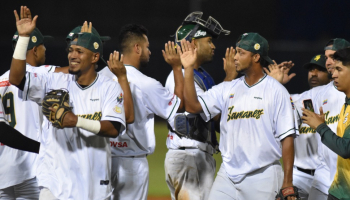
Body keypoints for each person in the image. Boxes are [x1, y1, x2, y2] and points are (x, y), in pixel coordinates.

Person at [9, 6, 133, 200]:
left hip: (95, 181)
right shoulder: (53, 81)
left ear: (94, 57)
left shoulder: (109, 87)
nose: (72, 55)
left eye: (79, 51)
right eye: (71, 50)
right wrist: (23, 39)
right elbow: (16, 79)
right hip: (54, 182)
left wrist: (76, 120)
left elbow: (114, 128)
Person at [179, 32, 298, 199]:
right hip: (227, 175)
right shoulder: (228, 88)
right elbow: (192, 106)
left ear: (256, 57)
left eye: (241, 53)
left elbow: (287, 139)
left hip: (263, 175)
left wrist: (287, 182)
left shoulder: (276, 91)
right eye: (236, 51)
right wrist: (188, 68)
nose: (234, 57)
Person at [98, 24, 183, 200]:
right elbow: (178, 108)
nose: (149, 52)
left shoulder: (100, 77)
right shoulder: (146, 84)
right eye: (147, 47)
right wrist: (177, 67)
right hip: (132, 164)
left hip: (101, 161)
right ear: (137, 48)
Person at [163, 11, 234, 200]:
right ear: (193, 43)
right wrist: (229, 79)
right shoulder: (180, 77)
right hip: (189, 155)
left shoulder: (201, 75)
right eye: (209, 41)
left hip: (195, 156)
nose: (213, 46)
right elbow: (208, 112)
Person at [0, 24, 72, 198]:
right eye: (42, 45)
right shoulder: (42, 75)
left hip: (3, 170)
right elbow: (76, 72)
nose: (45, 49)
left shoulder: (0, 81)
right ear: (33, 49)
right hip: (32, 169)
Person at [302, 47, 350, 200]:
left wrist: (321, 127)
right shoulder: (346, 104)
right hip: (338, 190)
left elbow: (346, 149)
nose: (333, 74)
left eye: (339, 69)